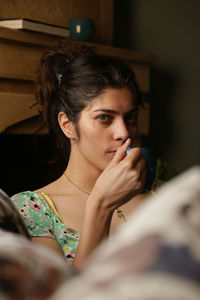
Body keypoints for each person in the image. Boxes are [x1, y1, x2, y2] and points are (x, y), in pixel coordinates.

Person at [11, 38, 148, 269]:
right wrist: (100, 206)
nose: (124, 133)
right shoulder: (33, 212)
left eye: (130, 118)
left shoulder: (156, 196)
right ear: (68, 125)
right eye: (104, 118)